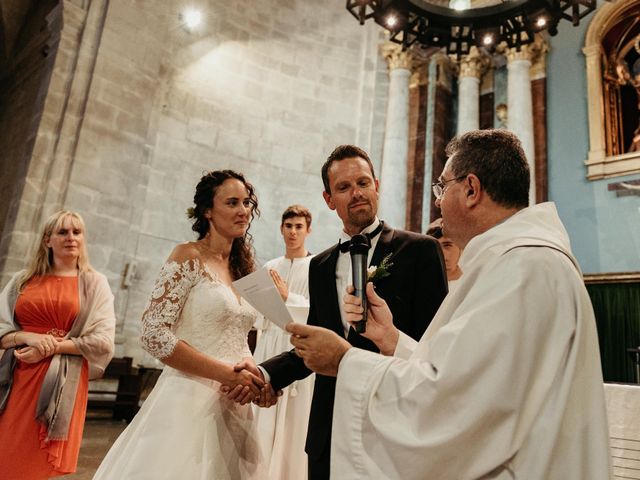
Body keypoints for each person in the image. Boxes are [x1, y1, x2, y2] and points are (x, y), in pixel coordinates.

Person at [288, 129, 611, 479]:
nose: (438, 202)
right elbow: (464, 376)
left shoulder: (523, 269)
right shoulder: (516, 263)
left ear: (471, 189)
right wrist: (391, 339)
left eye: (442, 188)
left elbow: (453, 403)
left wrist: (345, 361)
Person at [233, 145, 448, 480]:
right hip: (329, 428)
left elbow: (435, 345)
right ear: (329, 198)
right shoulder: (319, 266)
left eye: (363, 182)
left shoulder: (420, 251)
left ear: (377, 184)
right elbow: (314, 346)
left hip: (392, 425)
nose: (357, 193)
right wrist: (265, 374)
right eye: (344, 187)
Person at [93, 170, 268, 480]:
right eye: (232, 202)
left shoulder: (244, 268)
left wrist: (249, 370)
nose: (243, 211)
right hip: (188, 397)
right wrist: (224, 374)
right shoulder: (188, 256)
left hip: (235, 402)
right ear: (207, 211)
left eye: (247, 202)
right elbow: (153, 335)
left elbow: (238, 336)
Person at [0, 210, 116, 479]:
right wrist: (27, 337)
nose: (71, 238)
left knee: (33, 462)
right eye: (62, 232)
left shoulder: (94, 283)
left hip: (60, 379)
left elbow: (102, 342)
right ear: (47, 240)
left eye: (77, 232)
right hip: (13, 375)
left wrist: (51, 346)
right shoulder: (22, 280)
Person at [252, 204, 314, 480]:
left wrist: (289, 297)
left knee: (293, 423)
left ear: (308, 230)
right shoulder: (270, 267)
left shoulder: (315, 267)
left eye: (298, 226)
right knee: (260, 417)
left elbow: (316, 314)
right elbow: (257, 316)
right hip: (268, 343)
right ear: (281, 228)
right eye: (288, 226)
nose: (292, 232)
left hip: (295, 348)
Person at [426, 218, 463, 292]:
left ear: (461, 247)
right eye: (435, 246)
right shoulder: (423, 284)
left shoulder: (473, 281)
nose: (441, 254)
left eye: (447, 245)